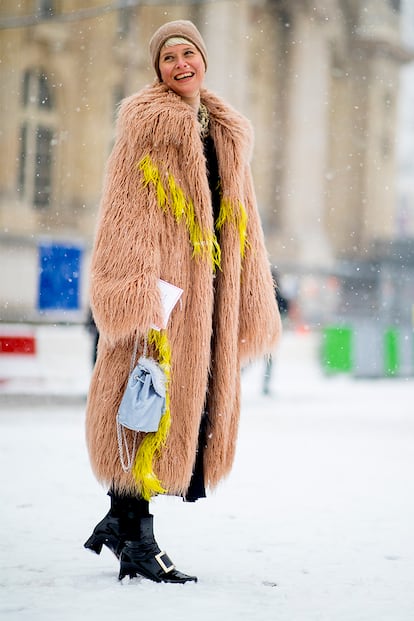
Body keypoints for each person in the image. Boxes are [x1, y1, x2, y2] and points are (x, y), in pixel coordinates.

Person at [84, 19, 281, 584]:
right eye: (168, 56)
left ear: (203, 60)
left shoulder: (225, 133)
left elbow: (246, 224)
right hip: (163, 297)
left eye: (187, 51)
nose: (180, 63)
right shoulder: (147, 128)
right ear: (159, 71)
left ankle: (120, 520)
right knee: (143, 410)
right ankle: (136, 536)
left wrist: (250, 296)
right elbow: (122, 217)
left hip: (209, 299)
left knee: (173, 414)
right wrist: (137, 293)